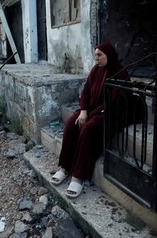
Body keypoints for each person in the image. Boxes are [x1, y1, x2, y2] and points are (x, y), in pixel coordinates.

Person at [50, 42, 130, 198]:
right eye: (95, 55)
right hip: (92, 110)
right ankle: (65, 167)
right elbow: (86, 91)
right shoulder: (95, 70)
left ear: (109, 55)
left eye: (100, 55)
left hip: (109, 113)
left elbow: (114, 102)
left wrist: (90, 114)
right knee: (71, 124)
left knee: (88, 129)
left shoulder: (120, 73)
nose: (97, 59)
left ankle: (79, 176)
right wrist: (84, 111)